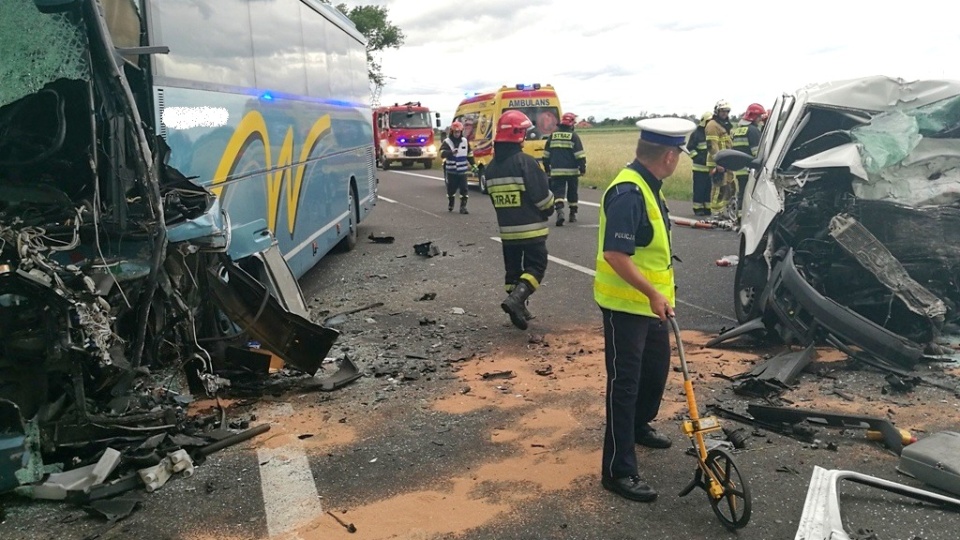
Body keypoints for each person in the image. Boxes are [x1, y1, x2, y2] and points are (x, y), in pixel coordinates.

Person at [594, 116, 696, 502]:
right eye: (679, 154)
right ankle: (618, 470)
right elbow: (615, 254)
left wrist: (658, 295)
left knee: (655, 373)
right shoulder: (629, 192)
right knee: (625, 385)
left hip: (652, 305)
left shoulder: (651, 186)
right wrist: (653, 294)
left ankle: (639, 426)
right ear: (669, 156)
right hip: (626, 308)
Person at [484, 110, 555, 330]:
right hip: (531, 230)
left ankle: (519, 307)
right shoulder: (526, 162)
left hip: (507, 232)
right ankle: (516, 300)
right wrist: (550, 208)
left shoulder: (490, 169)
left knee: (512, 272)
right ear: (518, 135)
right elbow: (542, 197)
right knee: (536, 266)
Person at [543, 112, 587, 226]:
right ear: (571, 124)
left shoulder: (553, 135)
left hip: (556, 171)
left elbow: (546, 155)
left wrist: (547, 168)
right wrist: (582, 168)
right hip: (572, 172)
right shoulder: (573, 136)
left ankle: (560, 212)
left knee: (558, 193)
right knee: (572, 192)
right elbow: (580, 154)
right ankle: (572, 214)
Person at [730, 103, 765, 217]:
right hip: (751, 169)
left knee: (742, 193)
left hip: (739, 168)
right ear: (753, 117)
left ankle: (740, 215)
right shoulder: (753, 131)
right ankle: (747, 217)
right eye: (759, 116)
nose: (760, 119)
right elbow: (757, 152)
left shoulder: (738, 130)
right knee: (751, 194)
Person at [705, 100, 735, 218]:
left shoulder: (725, 124)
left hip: (727, 161)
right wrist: (718, 162)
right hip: (717, 162)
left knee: (728, 185)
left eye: (727, 111)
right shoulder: (712, 125)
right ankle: (716, 212)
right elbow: (712, 145)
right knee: (718, 187)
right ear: (717, 111)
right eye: (722, 111)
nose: (725, 113)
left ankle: (722, 210)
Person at [440, 121, 475, 214]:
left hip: (462, 171)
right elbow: (441, 153)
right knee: (451, 190)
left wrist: (474, 165)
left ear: (461, 132)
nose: (457, 134)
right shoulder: (447, 142)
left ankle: (463, 207)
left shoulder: (465, 141)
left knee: (464, 189)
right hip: (451, 171)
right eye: (455, 132)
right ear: (452, 132)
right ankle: (451, 202)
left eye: (458, 132)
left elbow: (470, 154)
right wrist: (450, 153)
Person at [687, 112, 712, 216]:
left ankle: (707, 208)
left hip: (710, 169)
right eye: (709, 121)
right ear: (704, 122)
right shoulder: (696, 134)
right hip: (699, 168)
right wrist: (699, 158)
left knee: (708, 190)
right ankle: (698, 209)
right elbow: (690, 148)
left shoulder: (711, 133)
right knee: (699, 189)